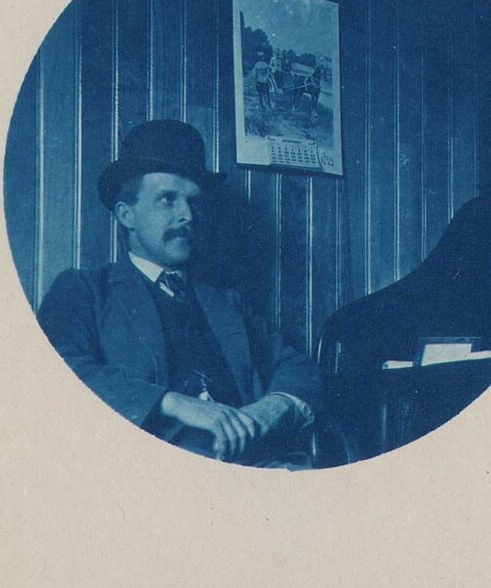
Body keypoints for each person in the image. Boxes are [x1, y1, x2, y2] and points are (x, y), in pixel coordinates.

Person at [37, 119, 323, 468]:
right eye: (167, 200)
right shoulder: (85, 292)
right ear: (127, 215)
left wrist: (269, 409)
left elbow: (298, 367)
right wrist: (173, 403)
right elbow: (56, 374)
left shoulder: (226, 302)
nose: (187, 214)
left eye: (193, 201)